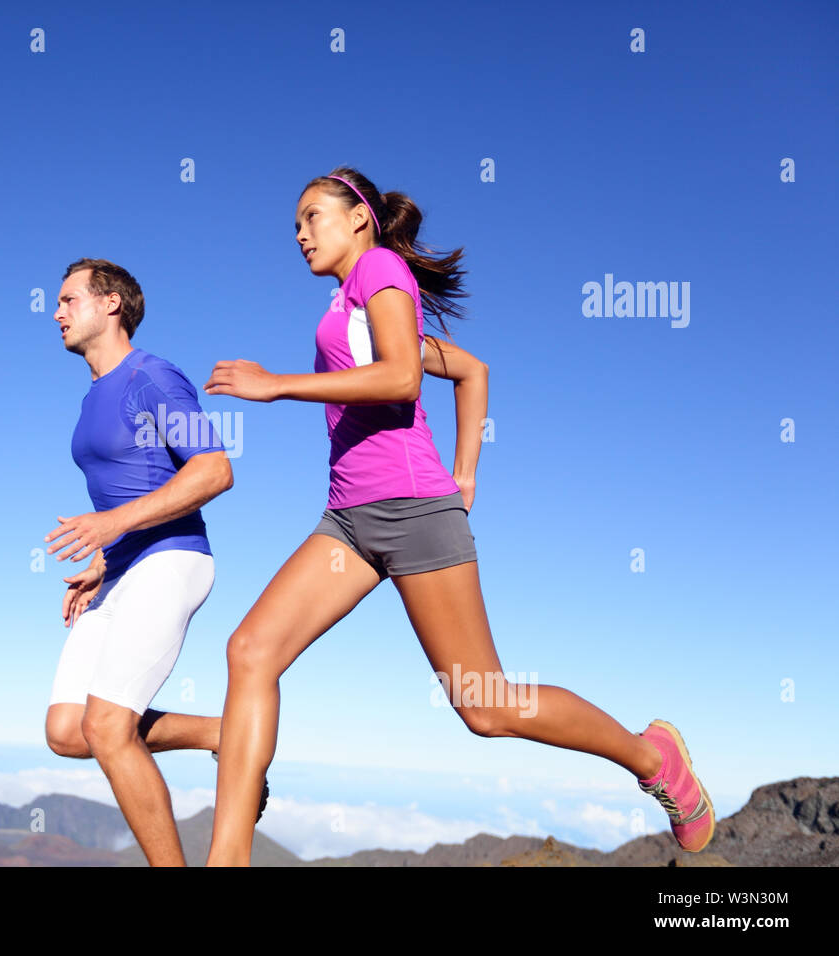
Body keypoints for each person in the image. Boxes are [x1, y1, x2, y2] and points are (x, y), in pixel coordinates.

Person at [200, 167, 714, 866]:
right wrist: (466, 471)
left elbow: (401, 379)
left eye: (311, 217)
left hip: (413, 513)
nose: (298, 234)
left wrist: (277, 383)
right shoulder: (352, 305)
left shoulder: (381, 268)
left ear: (359, 219)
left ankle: (650, 757)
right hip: (348, 522)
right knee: (250, 652)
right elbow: (471, 370)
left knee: (486, 706)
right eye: (293, 225)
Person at [41, 257, 265, 866]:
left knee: (109, 728)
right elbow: (132, 483)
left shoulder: (152, 376)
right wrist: (102, 562)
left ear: (110, 304)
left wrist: (111, 527)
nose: (55, 312)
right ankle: (223, 733)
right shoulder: (92, 397)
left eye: (67, 299)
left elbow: (215, 469)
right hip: (121, 570)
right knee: (67, 731)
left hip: (172, 560)